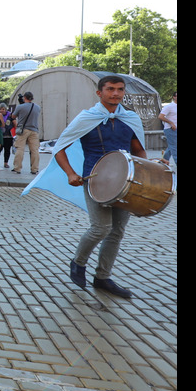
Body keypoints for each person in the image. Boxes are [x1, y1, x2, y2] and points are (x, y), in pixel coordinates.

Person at [52, 76, 146, 298]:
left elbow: (139, 150)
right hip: (96, 181)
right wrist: (70, 173)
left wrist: (149, 165)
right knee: (101, 228)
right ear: (99, 93)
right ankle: (78, 262)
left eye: (120, 90)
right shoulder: (87, 118)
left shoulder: (130, 118)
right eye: (110, 89)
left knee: (117, 231)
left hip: (126, 182)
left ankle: (103, 277)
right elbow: (59, 148)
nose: (116, 93)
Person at [11, 92, 41, 174]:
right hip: (34, 130)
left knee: (20, 148)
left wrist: (21, 105)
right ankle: (34, 168)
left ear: (24, 97)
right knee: (34, 150)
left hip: (23, 130)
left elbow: (13, 116)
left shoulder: (20, 107)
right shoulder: (37, 107)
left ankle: (17, 168)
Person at [158, 91, 177, 167]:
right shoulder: (169, 106)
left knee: (171, 146)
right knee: (174, 147)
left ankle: (164, 161)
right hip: (170, 129)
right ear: (174, 97)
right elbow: (160, 116)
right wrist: (171, 123)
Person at [0, 104, 13, 168]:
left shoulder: (10, 115)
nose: (2, 110)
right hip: (0, 135)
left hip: (8, 135)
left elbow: (14, 123)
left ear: (5, 109)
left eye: (3, 109)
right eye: (0, 109)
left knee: (7, 150)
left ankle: (6, 163)